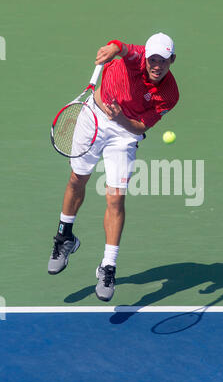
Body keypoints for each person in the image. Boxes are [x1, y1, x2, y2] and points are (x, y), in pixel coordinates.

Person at [48, 32, 179, 302]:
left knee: (116, 198)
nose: (156, 65)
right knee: (77, 179)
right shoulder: (136, 58)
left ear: (172, 60)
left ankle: (108, 266)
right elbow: (120, 46)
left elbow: (141, 127)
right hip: (93, 116)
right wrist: (111, 49)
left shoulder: (170, 94)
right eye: (152, 59)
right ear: (146, 56)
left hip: (125, 132)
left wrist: (120, 118)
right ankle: (65, 238)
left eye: (163, 61)